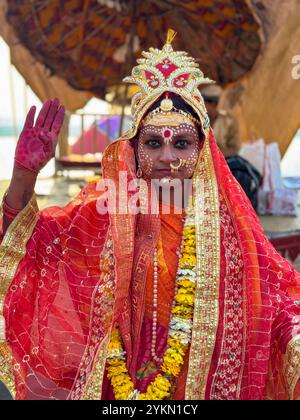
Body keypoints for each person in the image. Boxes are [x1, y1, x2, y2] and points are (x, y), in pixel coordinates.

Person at [0, 30, 299, 400]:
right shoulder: (102, 215)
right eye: (154, 143)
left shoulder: (231, 229)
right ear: (135, 150)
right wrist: (25, 175)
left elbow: (279, 300)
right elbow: (27, 249)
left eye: (182, 144)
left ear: (203, 150)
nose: (168, 158)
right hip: (115, 388)